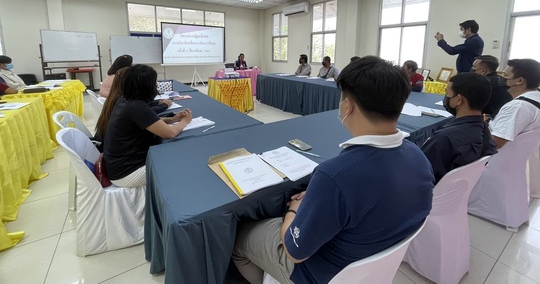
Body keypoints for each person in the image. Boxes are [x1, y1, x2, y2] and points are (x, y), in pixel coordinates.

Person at [232, 56, 434, 284]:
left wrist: (294, 210)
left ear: (348, 106)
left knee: (240, 237)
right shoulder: (419, 157)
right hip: (372, 261)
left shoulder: (335, 174)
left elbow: (295, 252)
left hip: (319, 272)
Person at [103, 65, 193, 187]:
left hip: (117, 167)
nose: (156, 86)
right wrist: (185, 121)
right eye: (154, 83)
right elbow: (170, 133)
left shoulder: (124, 101)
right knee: (178, 164)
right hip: (127, 173)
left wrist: (173, 119)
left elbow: (149, 122)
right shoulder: (137, 107)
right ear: (146, 86)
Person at [422, 73, 497, 183]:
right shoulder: (484, 130)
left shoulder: (444, 138)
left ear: (459, 99)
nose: (446, 98)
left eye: (448, 94)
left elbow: (419, 172)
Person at [489, 58, 540, 149]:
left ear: (519, 80)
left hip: (502, 156)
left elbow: (495, 143)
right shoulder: (535, 99)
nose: (502, 78)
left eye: (505, 75)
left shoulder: (518, 106)